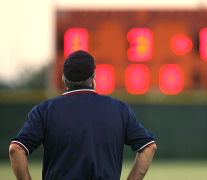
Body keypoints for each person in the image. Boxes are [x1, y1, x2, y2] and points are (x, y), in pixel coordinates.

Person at [9, 50, 157, 180]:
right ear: (93, 78)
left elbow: (16, 149)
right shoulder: (119, 109)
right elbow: (148, 147)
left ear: (63, 80)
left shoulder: (44, 110)